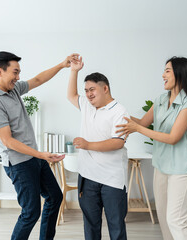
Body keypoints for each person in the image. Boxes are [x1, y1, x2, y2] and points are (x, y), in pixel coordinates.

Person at [0, 51, 79, 240]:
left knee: (55, 197)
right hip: (19, 163)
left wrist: (62, 64)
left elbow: (38, 79)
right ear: (0, 71)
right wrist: (41, 154)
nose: (18, 78)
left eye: (19, 73)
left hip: (34, 157)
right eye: (15, 73)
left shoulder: (13, 89)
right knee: (31, 212)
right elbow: (8, 141)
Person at [116, 56, 187, 240]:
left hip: (181, 170)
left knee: (176, 220)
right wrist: (116, 112)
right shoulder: (162, 99)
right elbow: (143, 122)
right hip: (162, 167)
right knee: (163, 218)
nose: (163, 75)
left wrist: (137, 128)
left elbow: (172, 138)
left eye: (167, 71)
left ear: (180, 73)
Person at [67, 56, 129, 240]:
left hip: (112, 180)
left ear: (105, 88)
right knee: (91, 226)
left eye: (92, 89)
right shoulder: (86, 105)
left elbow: (118, 142)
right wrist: (74, 71)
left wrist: (87, 145)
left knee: (116, 226)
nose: (88, 94)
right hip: (88, 177)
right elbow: (71, 95)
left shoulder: (120, 112)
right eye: (86, 90)